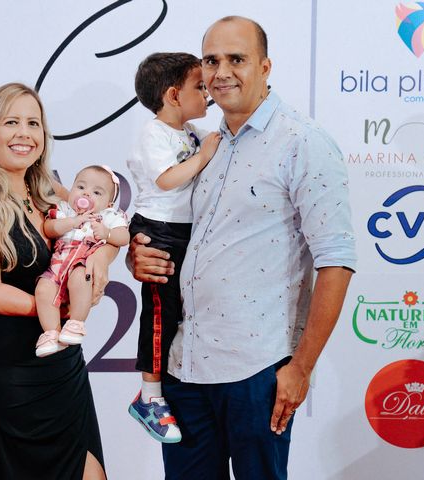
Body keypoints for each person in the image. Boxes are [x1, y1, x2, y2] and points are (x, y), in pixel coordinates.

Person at [128, 16, 356, 480]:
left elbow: (336, 261)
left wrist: (301, 367)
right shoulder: (201, 146)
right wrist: (140, 254)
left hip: (258, 371)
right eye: (211, 61)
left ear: (265, 67)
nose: (222, 72)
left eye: (237, 59)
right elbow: (175, 226)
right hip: (184, 365)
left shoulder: (303, 143)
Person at [0, 82, 112, 480]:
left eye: (33, 123)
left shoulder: (46, 191)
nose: (24, 133)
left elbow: (106, 223)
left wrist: (102, 259)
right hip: (11, 379)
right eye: (11, 122)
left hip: (64, 370)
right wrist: (59, 307)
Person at [126, 52, 221, 443]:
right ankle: (149, 396)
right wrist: (203, 156)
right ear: (172, 95)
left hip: (185, 231)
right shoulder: (154, 134)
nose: (208, 92)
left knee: (180, 311)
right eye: (199, 86)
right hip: (159, 231)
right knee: (160, 313)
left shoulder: (189, 132)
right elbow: (166, 179)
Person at [34, 165, 129, 357]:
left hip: (83, 262)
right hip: (58, 264)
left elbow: (124, 237)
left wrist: (107, 234)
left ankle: (75, 323)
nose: (86, 193)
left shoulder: (108, 216)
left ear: (109, 204)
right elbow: (48, 228)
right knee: (43, 289)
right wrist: (71, 222)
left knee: (80, 279)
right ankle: (51, 333)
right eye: (80, 187)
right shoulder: (65, 210)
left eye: (96, 192)